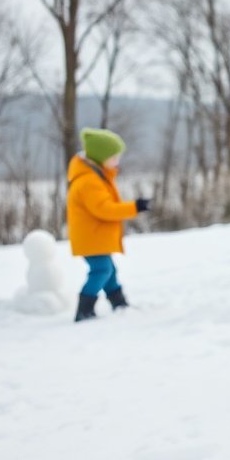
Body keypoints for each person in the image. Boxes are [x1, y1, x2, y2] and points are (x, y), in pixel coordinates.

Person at [67, 128, 151, 323]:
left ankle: (118, 302)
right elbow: (105, 209)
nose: (117, 162)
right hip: (91, 237)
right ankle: (84, 309)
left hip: (95, 236)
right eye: (114, 158)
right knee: (101, 270)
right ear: (99, 157)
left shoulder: (95, 176)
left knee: (109, 270)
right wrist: (134, 207)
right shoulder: (89, 182)